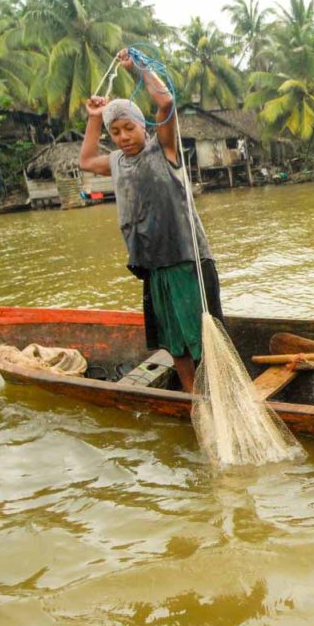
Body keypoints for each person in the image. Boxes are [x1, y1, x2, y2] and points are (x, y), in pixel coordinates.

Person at [79, 48, 222, 392]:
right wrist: (96, 117)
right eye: (116, 132)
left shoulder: (164, 149)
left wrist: (139, 68)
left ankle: (214, 390)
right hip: (153, 266)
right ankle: (192, 397)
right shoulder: (115, 162)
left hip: (186, 261)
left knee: (200, 336)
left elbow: (167, 103)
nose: (124, 136)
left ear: (144, 126)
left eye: (129, 127)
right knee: (174, 341)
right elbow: (85, 161)